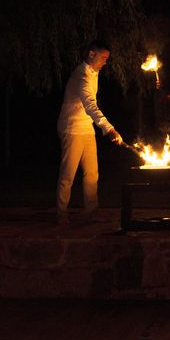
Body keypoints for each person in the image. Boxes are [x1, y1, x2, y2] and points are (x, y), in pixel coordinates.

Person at [55, 41, 123, 225]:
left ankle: (92, 212)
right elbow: (90, 105)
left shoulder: (94, 74)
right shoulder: (81, 76)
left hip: (86, 128)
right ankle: (61, 213)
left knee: (92, 173)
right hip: (72, 127)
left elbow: (91, 106)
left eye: (107, 59)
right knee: (68, 173)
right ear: (91, 54)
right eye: (103, 58)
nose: (105, 62)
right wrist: (109, 128)